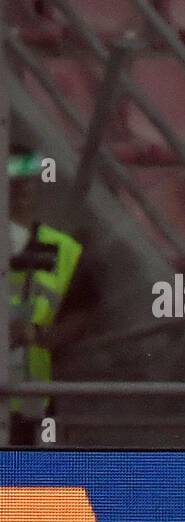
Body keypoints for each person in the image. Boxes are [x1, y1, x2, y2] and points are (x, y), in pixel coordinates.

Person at [8, 146, 84, 445]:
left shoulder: (63, 248)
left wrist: (42, 335)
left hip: (30, 399)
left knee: (25, 486)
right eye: (13, 175)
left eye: (29, 176)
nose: (23, 185)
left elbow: (83, 310)